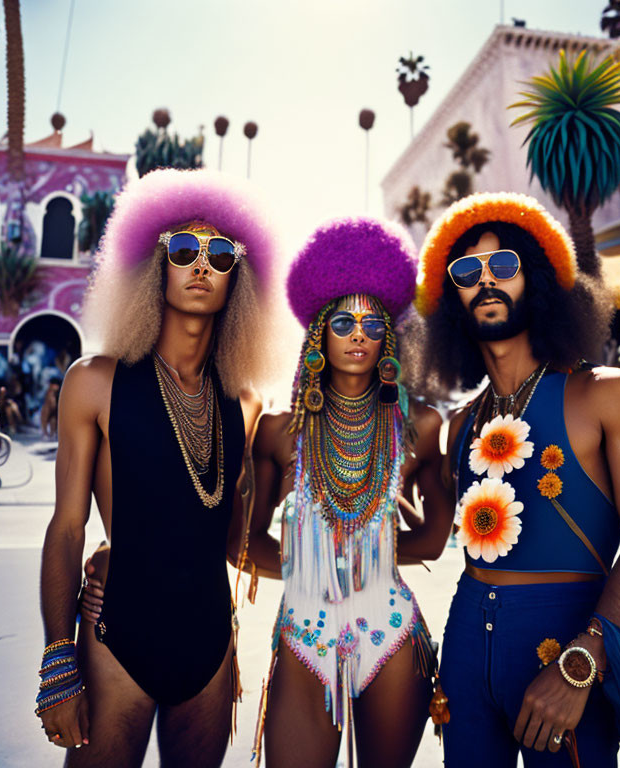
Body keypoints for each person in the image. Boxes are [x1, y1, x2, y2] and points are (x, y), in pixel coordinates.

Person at [414, 192, 620, 767]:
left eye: (503, 265)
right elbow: (422, 531)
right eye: (466, 271)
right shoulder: (459, 423)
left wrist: (584, 662)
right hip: (462, 656)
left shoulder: (607, 392)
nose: (486, 281)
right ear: (451, 297)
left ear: (535, 278)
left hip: (565, 654)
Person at [36, 168, 277, 768]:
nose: (201, 264)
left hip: (211, 651)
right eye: (183, 248)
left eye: (221, 253)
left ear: (238, 277)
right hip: (118, 641)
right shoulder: (93, 382)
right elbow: (67, 526)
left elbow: (228, 537)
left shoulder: (245, 401)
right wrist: (58, 660)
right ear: (154, 263)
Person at [247, 217, 452, 768]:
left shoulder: (423, 428)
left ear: (388, 335)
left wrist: (368, 555)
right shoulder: (277, 431)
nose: (358, 332)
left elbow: (434, 539)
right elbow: (241, 541)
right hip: (303, 633)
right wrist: (308, 563)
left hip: (390, 631)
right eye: (342, 321)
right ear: (318, 335)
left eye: (371, 321)